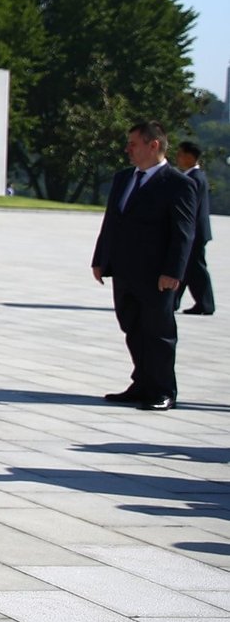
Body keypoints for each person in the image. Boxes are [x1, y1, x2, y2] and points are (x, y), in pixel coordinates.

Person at [91, 121, 198, 411]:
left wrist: (173, 272)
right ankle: (142, 383)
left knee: (158, 332)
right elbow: (112, 221)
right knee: (132, 327)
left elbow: (183, 232)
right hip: (125, 270)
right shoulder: (124, 178)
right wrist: (100, 259)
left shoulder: (178, 184)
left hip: (156, 275)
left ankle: (163, 389)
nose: (128, 150)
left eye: (133, 144)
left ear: (154, 145)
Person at [175, 141, 214, 315]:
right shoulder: (198, 176)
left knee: (194, 269)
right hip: (196, 231)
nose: (178, 158)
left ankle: (205, 304)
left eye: (180, 154)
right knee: (185, 267)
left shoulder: (193, 178)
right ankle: (173, 301)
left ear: (190, 157)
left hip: (194, 232)